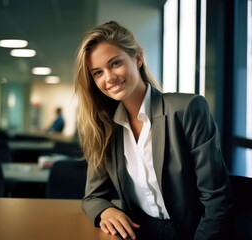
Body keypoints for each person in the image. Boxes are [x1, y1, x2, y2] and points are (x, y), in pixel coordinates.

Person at [74, 21, 233, 240]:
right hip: (138, 232)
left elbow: (217, 201)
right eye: (97, 72)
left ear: (137, 58)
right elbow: (92, 197)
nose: (109, 78)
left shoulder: (187, 109)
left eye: (116, 63)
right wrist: (105, 210)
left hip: (193, 233)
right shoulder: (105, 126)